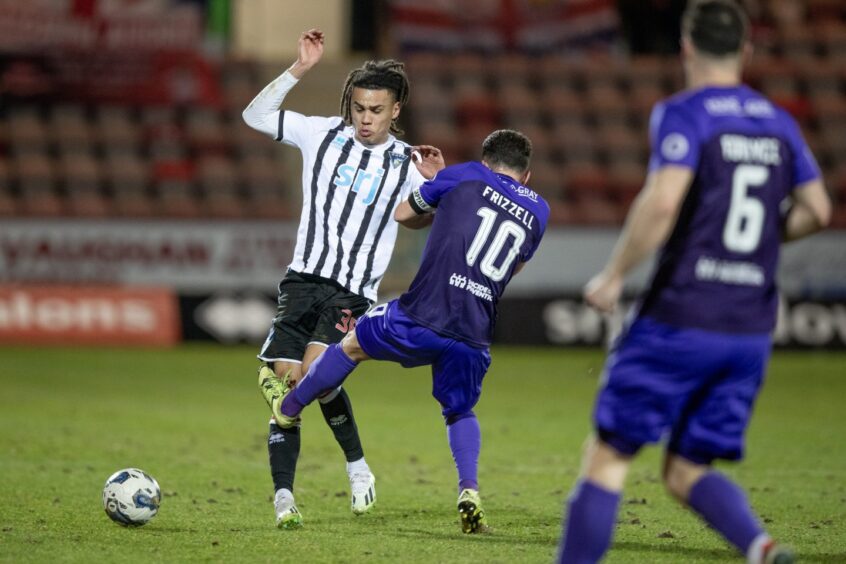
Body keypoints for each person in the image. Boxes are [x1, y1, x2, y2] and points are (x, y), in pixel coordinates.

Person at [557, 1, 831, 563]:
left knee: (608, 458)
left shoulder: (685, 113)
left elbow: (661, 204)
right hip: (750, 329)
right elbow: (818, 209)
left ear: (686, 47)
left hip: (681, 316)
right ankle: (760, 547)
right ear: (745, 51)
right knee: (685, 469)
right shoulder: (778, 121)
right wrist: (762, 242)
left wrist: (613, 275)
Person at [259, 129, 549, 533]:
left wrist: (437, 184)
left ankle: (288, 409)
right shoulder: (540, 210)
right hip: (475, 330)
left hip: (423, 314)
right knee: (459, 410)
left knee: (352, 344)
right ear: (527, 175)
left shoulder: (464, 175)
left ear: (485, 162)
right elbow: (512, 266)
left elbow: (404, 214)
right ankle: (469, 490)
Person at [242, 29, 445, 529]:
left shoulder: (407, 162)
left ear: (396, 110)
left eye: (376, 110)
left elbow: (418, 218)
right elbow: (255, 116)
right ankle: (285, 499)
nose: (366, 119)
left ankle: (356, 469)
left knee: (313, 378)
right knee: (292, 386)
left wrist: (437, 186)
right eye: (359, 108)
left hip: (353, 289)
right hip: (302, 279)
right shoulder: (321, 133)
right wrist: (300, 68)